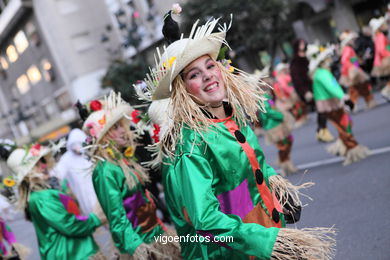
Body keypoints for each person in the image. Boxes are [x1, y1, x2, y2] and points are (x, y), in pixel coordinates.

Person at [137, 7, 335, 259]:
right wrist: (265, 242)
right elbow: (206, 220)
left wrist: (278, 189)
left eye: (210, 66)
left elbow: (257, 164)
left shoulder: (232, 115)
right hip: (238, 251)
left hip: (264, 230)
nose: (208, 75)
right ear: (183, 90)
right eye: (194, 75)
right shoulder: (191, 144)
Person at [79, 92, 180, 259]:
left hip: (156, 234)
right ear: (103, 137)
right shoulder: (104, 170)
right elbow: (116, 218)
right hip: (141, 243)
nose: (123, 131)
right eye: (115, 127)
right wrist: (139, 250)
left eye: (121, 125)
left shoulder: (123, 159)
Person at [3, 143, 105, 260]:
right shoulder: (42, 197)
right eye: (37, 164)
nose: (43, 165)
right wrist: (96, 219)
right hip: (72, 254)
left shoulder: (37, 196)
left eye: (42, 160)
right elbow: (70, 226)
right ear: (27, 174)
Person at [309, 46, 370, 165]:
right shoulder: (322, 74)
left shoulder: (322, 72)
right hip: (330, 104)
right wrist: (344, 97)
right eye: (328, 58)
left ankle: (343, 145)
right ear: (323, 62)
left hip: (332, 103)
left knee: (344, 123)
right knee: (344, 124)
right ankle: (352, 148)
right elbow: (331, 87)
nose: (330, 60)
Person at [290, 39, 334, 142]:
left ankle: (321, 130)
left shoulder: (309, 55)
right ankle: (322, 131)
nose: (302, 45)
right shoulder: (295, 61)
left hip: (316, 84)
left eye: (303, 43)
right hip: (307, 88)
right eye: (300, 44)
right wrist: (305, 92)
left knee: (323, 109)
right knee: (322, 109)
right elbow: (296, 79)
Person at [53, 128, 98, 215]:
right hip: (82, 196)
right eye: (74, 144)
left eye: (79, 143)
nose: (77, 147)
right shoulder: (66, 159)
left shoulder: (89, 155)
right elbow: (58, 174)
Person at [258, 91, 297, 176]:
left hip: (278, 122)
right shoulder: (261, 97)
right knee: (283, 145)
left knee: (289, 141)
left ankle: (287, 162)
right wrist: (281, 115)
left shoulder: (267, 94)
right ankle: (284, 167)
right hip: (273, 125)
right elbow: (267, 111)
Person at [338, 30, 376, 110]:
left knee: (357, 89)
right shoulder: (347, 49)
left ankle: (357, 104)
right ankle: (366, 102)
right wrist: (354, 68)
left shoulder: (349, 49)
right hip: (352, 73)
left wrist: (357, 65)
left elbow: (353, 60)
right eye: (351, 40)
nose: (353, 41)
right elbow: (345, 61)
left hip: (354, 71)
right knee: (359, 88)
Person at [273, 62, 307, 128]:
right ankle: (298, 119)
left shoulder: (286, 76)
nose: (285, 70)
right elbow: (284, 87)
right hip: (288, 95)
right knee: (294, 107)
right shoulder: (280, 78)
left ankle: (302, 117)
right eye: (283, 69)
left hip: (292, 92)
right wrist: (290, 92)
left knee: (298, 105)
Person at [369, 16, 390, 101]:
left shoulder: (378, 36)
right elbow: (382, 49)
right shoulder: (381, 36)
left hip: (382, 60)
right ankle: (386, 91)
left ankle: (387, 91)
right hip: (386, 58)